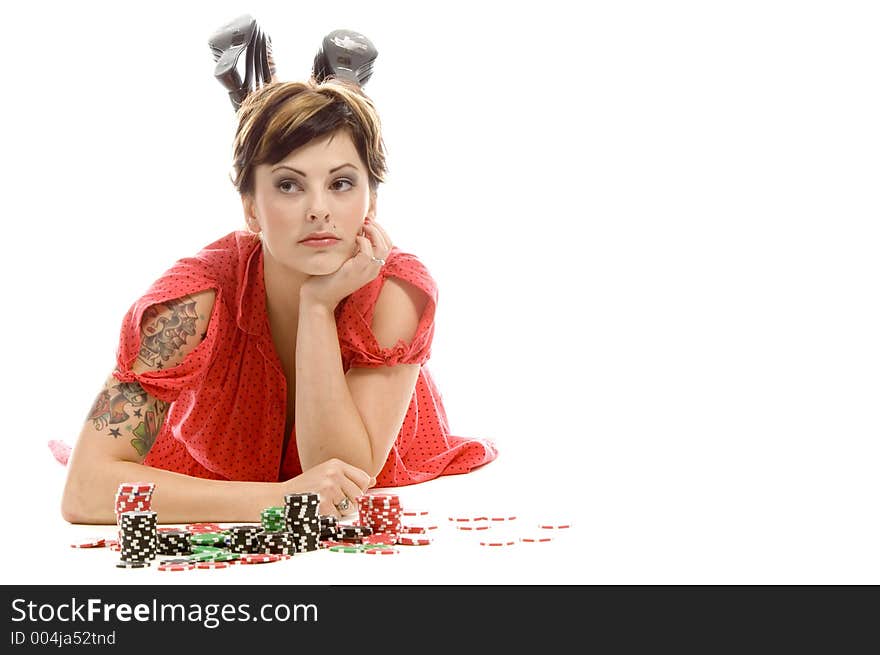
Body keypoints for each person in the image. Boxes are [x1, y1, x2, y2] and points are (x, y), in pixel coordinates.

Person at [58, 29, 498, 526]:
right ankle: (283, 99)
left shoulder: (397, 291)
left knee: (314, 140)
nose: (319, 211)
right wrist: (275, 499)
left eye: (342, 183)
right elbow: (85, 491)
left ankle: (308, 97)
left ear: (371, 203)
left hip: (377, 444)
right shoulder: (194, 298)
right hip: (216, 465)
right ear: (250, 209)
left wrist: (317, 309)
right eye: (288, 185)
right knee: (293, 145)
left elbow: (343, 482)